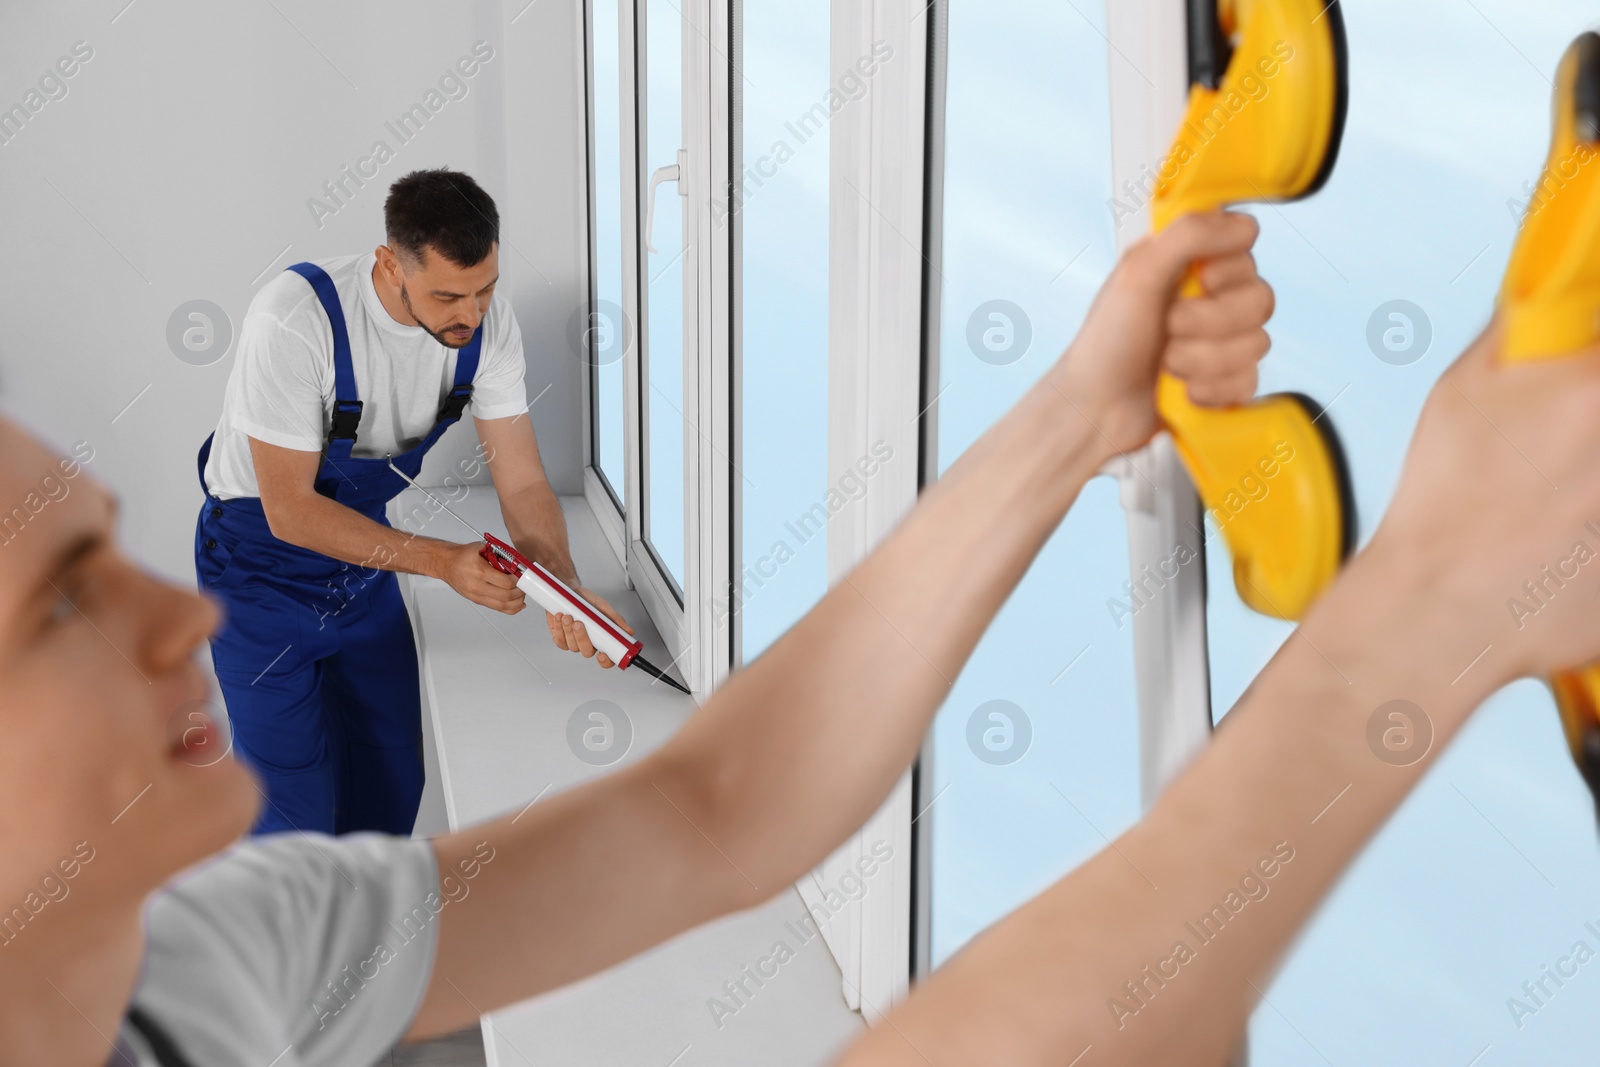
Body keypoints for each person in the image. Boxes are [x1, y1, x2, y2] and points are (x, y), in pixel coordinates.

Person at [6, 211, 1598, 1066]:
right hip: (318, 557)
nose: (175, 613)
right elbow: (275, 516)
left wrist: (1073, 415)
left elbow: (715, 807)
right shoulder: (299, 329)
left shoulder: (208, 961)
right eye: (61, 598)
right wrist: (1440, 600)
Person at [193, 168, 634, 837]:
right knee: (292, 811)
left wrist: (563, 589)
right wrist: (444, 563)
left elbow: (520, 482)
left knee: (392, 779)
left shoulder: (489, 329)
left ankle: (365, 940)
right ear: (390, 266)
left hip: (363, 562)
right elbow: (291, 510)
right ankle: (284, 940)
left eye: (485, 289)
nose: (472, 313)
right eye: (449, 295)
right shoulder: (294, 320)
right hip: (258, 572)